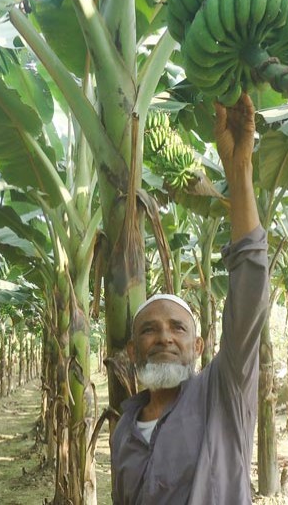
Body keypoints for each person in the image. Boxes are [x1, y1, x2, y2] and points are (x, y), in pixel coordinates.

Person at [110, 93, 270, 504]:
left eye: (178, 328)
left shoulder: (222, 394)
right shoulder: (123, 430)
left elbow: (250, 286)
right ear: (131, 350)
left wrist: (240, 172)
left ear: (197, 346)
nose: (165, 337)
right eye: (150, 330)